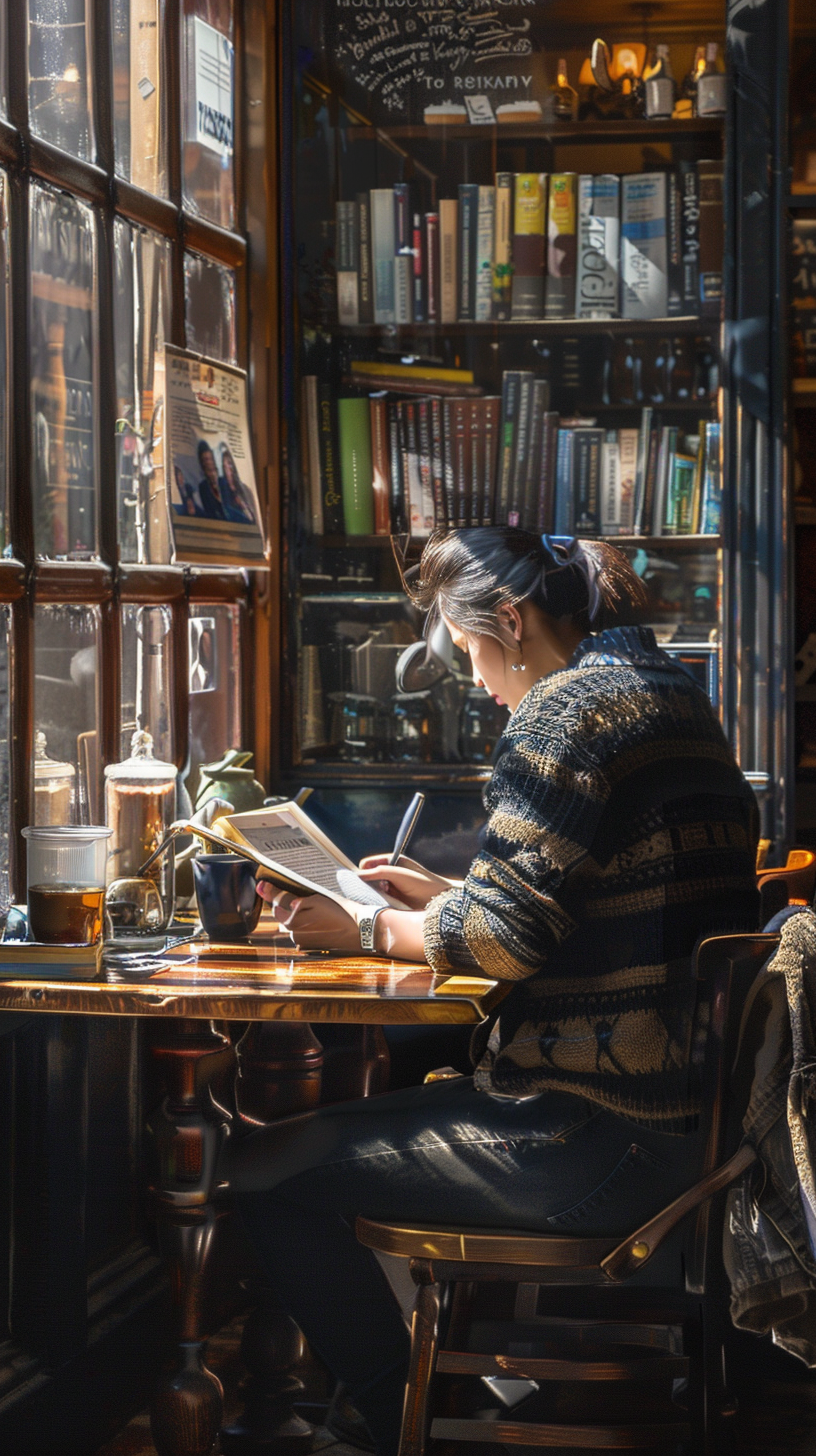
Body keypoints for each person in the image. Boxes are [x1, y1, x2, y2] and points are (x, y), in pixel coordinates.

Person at [227, 530, 760, 1456]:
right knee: (313, 1155)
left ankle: (398, 1421)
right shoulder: (671, 693)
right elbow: (586, 899)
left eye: (468, 648)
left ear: (509, 622)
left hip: (595, 1141)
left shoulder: (564, 716)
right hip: (691, 1135)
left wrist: (356, 926)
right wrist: (443, 900)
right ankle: (410, 1409)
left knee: (262, 1173)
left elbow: (504, 942)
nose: (474, 677)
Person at [218, 444, 255, 523]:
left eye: (230, 464)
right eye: (225, 466)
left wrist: (244, 506)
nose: (228, 469)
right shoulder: (222, 484)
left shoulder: (242, 486)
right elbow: (226, 507)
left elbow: (250, 509)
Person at [196, 440, 226, 519]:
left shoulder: (223, 482)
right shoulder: (203, 487)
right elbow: (208, 510)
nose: (209, 462)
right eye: (205, 459)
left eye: (210, 458)